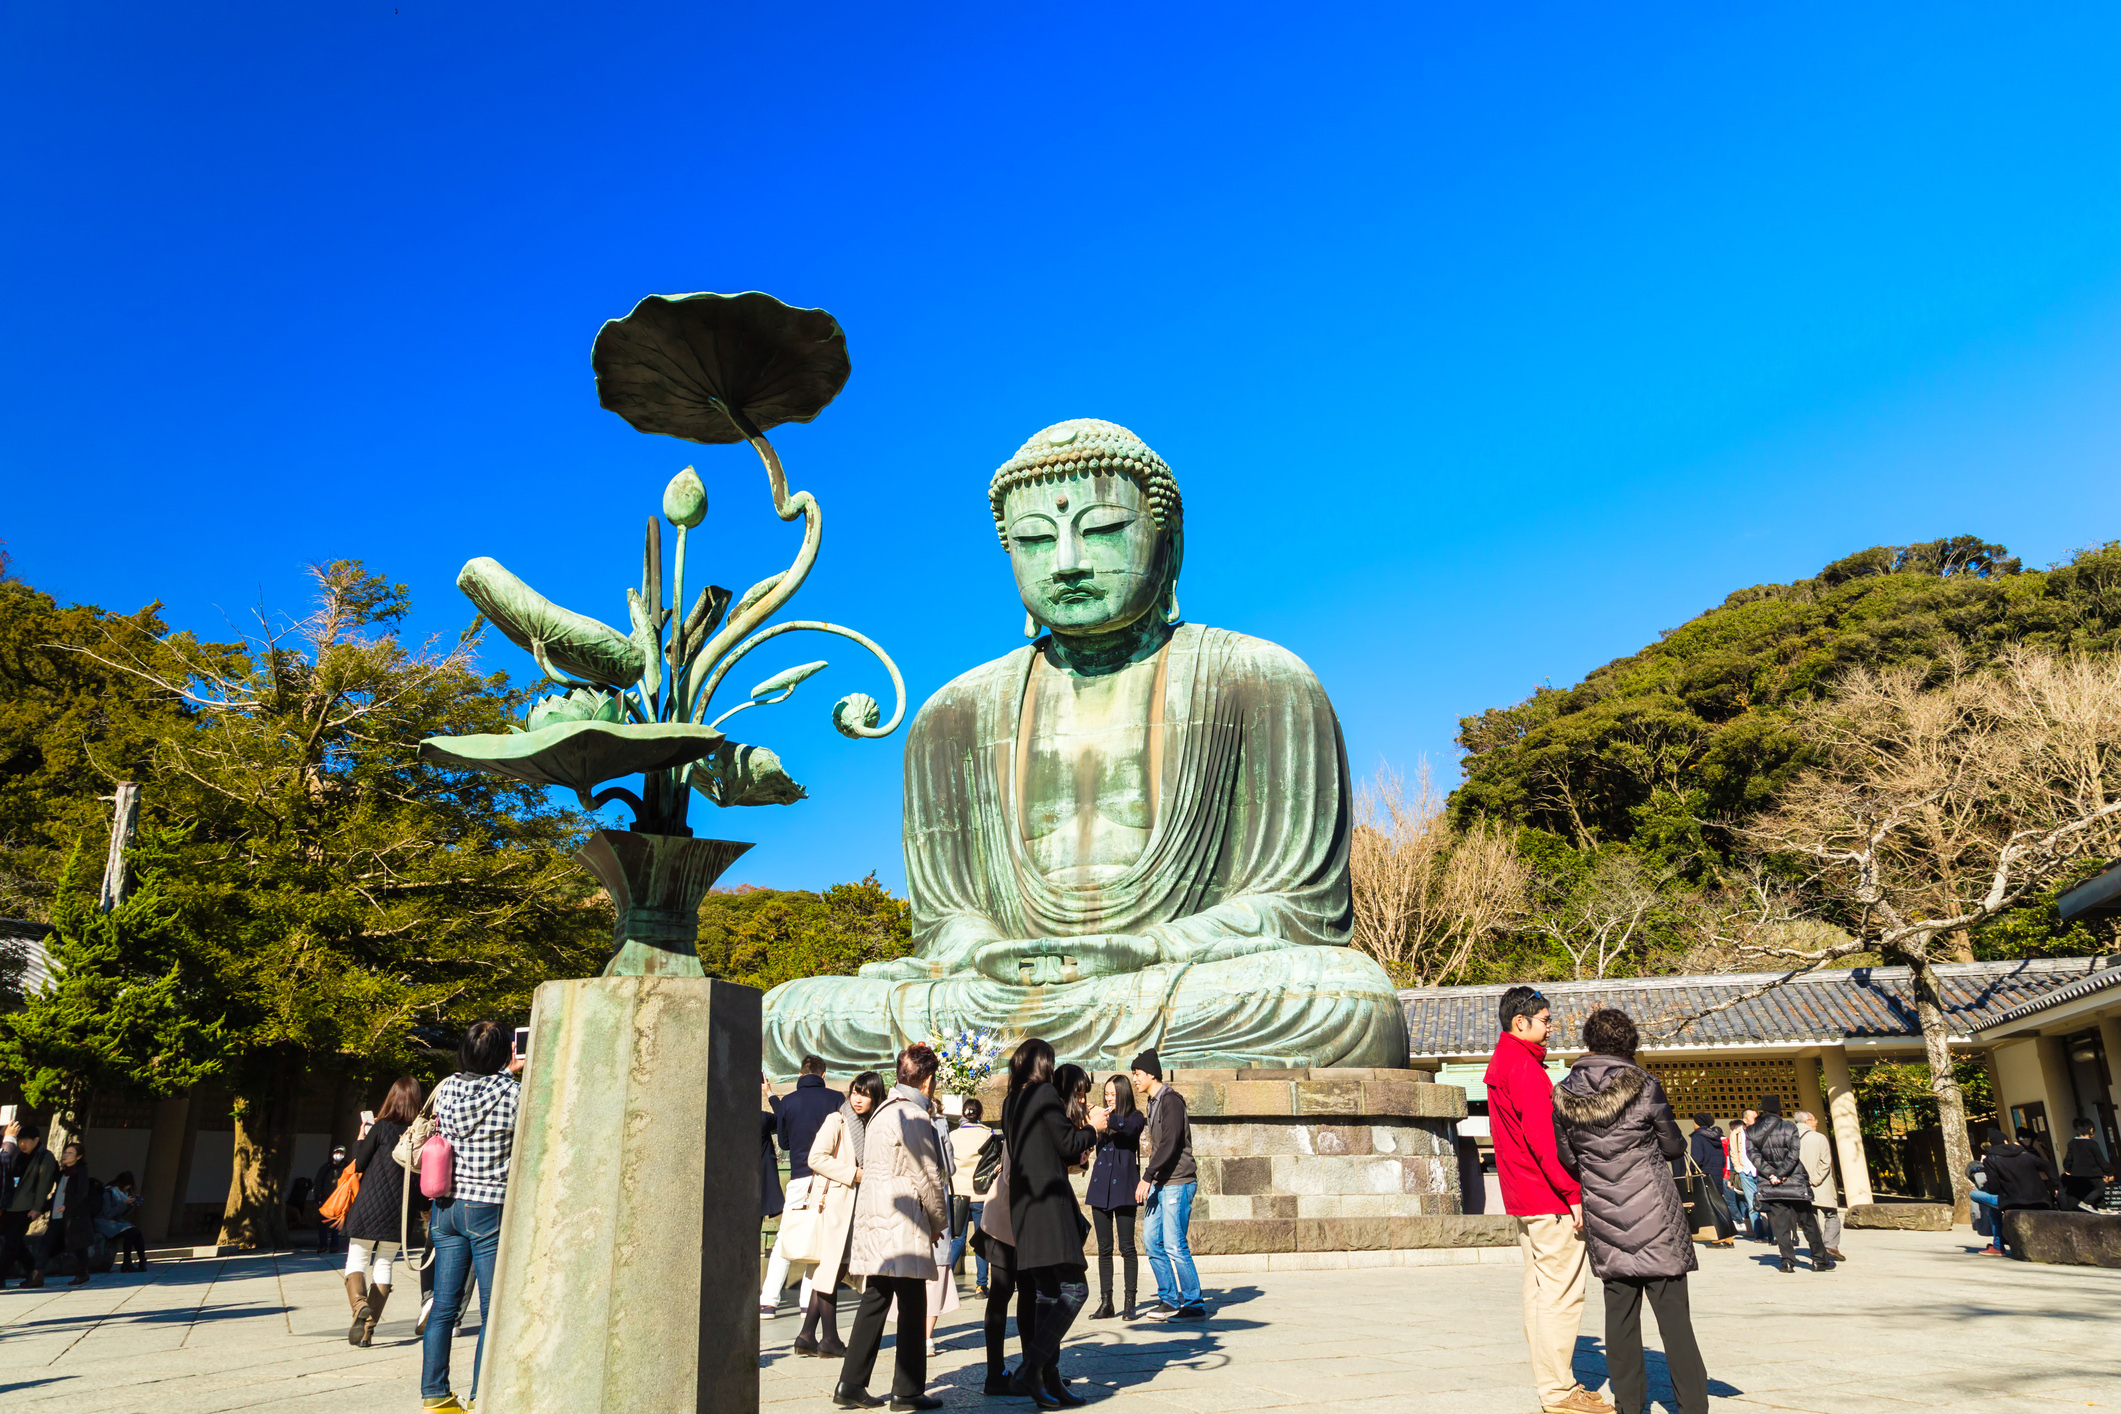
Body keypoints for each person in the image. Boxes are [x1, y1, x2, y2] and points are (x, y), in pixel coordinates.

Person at [1551, 1008, 1707, 1414]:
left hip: (1605, 1218)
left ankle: (1630, 1407)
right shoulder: (1645, 1085)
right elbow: (1673, 1147)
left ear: (1589, 1043)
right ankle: (1692, 1407)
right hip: (1655, 1215)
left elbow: (1568, 1159)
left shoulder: (1564, 1093)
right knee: (1675, 1323)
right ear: (1630, 1044)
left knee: (1619, 1322)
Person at [1483, 986, 1609, 1414]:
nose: (1551, 1027)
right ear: (1521, 1023)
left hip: (1523, 1195)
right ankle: (1559, 1391)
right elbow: (1544, 1139)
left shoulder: (1503, 1061)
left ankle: (1552, 1385)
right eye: (1546, 1020)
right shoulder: (1524, 1067)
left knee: (1539, 1293)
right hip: (1547, 1194)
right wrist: (1572, 1193)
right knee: (1562, 1295)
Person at [834, 1043, 950, 1413]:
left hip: (875, 1219)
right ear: (929, 1080)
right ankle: (908, 1390)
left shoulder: (883, 1112)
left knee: (876, 1299)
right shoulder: (913, 1116)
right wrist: (938, 1223)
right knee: (913, 1304)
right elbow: (928, 1175)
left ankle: (850, 1383)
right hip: (902, 1222)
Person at [420, 1020, 523, 1414]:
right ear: (503, 1054)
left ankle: (435, 1394)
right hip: (489, 1205)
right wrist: (508, 1074)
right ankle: (482, 1394)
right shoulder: (514, 1094)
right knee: (490, 1309)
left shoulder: (445, 1088)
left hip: (445, 1205)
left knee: (444, 1306)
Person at [1002, 1038, 1097, 1410]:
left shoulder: (1012, 1101)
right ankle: (1032, 1368)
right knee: (1075, 1290)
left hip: (1025, 1210)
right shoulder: (1042, 1094)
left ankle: (1048, 1380)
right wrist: (1095, 1128)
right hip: (1048, 1209)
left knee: (1047, 1293)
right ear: (1042, 1064)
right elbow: (1067, 1142)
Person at [798, 1070, 884, 1358]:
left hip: (852, 1209)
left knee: (828, 1270)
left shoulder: (870, 1124)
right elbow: (815, 1158)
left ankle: (807, 1336)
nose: (858, 1099)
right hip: (835, 1206)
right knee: (830, 1270)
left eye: (866, 1094)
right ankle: (830, 1339)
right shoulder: (838, 1119)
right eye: (856, 1092)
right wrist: (853, 1173)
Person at [342, 1076, 423, 1347]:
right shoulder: (421, 1132)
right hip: (399, 1213)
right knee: (385, 1263)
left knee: (357, 1260)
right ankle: (368, 1330)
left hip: (369, 1206)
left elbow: (360, 1163)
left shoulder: (381, 1127)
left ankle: (359, 1306)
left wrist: (360, 1140)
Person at [763, 1055, 844, 1319]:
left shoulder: (789, 1101)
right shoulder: (836, 1099)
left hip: (799, 1177)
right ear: (823, 1075)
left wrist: (773, 1097)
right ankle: (808, 1303)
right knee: (820, 1240)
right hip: (829, 1178)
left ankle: (768, 1300)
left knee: (786, 1237)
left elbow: (784, 1143)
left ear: (800, 1075)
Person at [1131, 1048, 1203, 1322]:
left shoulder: (1171, 1101)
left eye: (1137, 1074)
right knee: (1151, 1240)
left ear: (1151, 1074)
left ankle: (1194, 1303)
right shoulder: (1152, 1102)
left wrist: (1147, 1176)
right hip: (1161, 1183)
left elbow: (1171, 1144)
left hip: (1177, 1182)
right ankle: (1169, 1299)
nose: (1135, 1079)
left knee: (1174, 1243)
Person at [971, 1118, 1038, 1399]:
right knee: (1001, 1295)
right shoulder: (1025, 1119)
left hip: (1022, 1223)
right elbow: (1012, 1174)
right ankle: (996, 1374)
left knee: (1030, 1295)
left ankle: (1032, 1370)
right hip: (1004, 1223)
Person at [1747, 1096, 1831, 1274]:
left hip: (1771, 1184)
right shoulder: (1789, 1126)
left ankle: (1787, 1262)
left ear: (1762, 1110)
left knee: (1780, 1224)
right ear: (1779, 1110)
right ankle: (1819, 1260)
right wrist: (1782, 1173)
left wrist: (1771, 1174)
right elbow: (1794, 1153)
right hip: (1793, 1180)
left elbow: (1753, 1156)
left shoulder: (1752, 1130)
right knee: (1808, 1221)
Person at [1086, 1073, 1146, 1319]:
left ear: (1122, 1094)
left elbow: (1131, 1128)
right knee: (1104, 1248)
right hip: (1100, 1188)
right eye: (1106, 1094)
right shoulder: (1102, 1120)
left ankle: (1130, 1301)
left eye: (1113, 1094)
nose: (1109, 1098)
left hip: (1124, 1188)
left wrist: (1107, 1117)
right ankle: (1106, 1301)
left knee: (1127, 1247)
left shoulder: (1134, 1117)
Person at [31, 1141, 99, 1287]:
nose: (65, 1155)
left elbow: (81, 1193)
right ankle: (37, 1276)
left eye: (70, 1153)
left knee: (78, 1246)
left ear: (79, 1156)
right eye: (65, 1152)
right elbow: (56, 1194)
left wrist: (67, 1206)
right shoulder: (61, 1174)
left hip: (73, 1217)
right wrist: (41, 1209)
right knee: (46, 1243)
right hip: (57, 1216)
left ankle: (82, 1273)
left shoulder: (81, 1172)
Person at [1984, 1125, 2058, 1257]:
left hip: (2013, 1201)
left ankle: (1998, 1244)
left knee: (1982, 1201)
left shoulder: (1991, 1159)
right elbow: (2047, 1165)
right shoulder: (2023, 1153)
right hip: (2040, 1198)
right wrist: (2056, 1186)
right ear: (2006, 1141)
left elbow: (1993, 1188)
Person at [2, 1119, 59, 1286]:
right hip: (9, 1204)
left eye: (26, 1141)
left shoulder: (44, 1156)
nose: (22, 1144)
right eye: (19, 1141)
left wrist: (37, 1208)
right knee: (14, 1241)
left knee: (11, 1243)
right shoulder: (18, 1154)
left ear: (36, 1140)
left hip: (25, 1206)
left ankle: (1, 1277)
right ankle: (34, 1271)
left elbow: (44, 1184)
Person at [947, 1097, 995, 1293]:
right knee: (981, 1240)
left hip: (958, 1194)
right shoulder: (989, 1135)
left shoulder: (952, 1135)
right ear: (981, 1115)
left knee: (957, 1239)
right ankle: (981, 1285)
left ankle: (944, 1280)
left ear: (962, 1115)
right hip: (981, 1195)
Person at [1794, 1111, 1845, 1264]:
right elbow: (1825, 1162)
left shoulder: (1790, 1139)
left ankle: (1818, 1247)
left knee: (1811, 1217)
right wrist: (1814, 1179)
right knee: (1831, 1215)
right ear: (1808, 1121)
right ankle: (1830, 1245)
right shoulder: (1819, 1137)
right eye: (1815, 1119)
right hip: (1820, 1183)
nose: (1816, 1123)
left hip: (1800, 1184)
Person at [1685, 1115, 1734, 1247]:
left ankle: (1717, 1238)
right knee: (1721, 1204)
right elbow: (1723, 1159)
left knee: (1710, 1206)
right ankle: (1728, 1238)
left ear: (1698, 1123)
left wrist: (1690, 1170)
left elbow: (1697, 1158)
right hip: (1717, 1173)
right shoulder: (1716, 1137)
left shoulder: (1698, 1136)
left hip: (1705, 1174)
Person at [96, 1170, 146, 1272]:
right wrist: (123, 1203)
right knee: (130, 1232)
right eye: (127, 1185)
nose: (128, 1188)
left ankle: (142, 1260)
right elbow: (108, 1213)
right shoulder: (108, 1193)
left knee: (136, 1232)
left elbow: (120, 1214)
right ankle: (127, 1262)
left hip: (115, 1221)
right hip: (103, 1222)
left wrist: (131, 1205)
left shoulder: (124, 1194)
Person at [2062, 1118, 2111, 1211]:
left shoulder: (2072, 1143)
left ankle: (2102, 1207)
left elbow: (2068, 1158)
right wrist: (2108, 1172)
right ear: (2091, 1129)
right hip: (2093, 1171)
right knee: (2101, 1188)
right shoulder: (2092, 1143)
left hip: (2077, 1173)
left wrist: (2067, 1169)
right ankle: (2086, 1202)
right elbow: (2100, 1159)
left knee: (2093, 1189)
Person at [1727, 1109, 1760, 1240]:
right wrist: (1738, 1168)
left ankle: (1771, 1232)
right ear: (1745, 1120)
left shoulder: (1761, 1130)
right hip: (1745, 1171)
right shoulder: (1736, 1134)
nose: (1756, 1119)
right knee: (1752, 1203)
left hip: (1760, 1170)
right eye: (1753, 1117)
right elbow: (1733, 1152)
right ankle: (1759, 1234)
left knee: (1766, 1202)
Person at [315, 1143, 351, 1253]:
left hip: (341, 1199)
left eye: (341, 1153)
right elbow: (318, 1182)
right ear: (333, 1154)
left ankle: (334, 1245)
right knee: (323, 1222)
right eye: (337, 1152)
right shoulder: (326, 1167)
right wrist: (317, 1198)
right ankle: (322, 1244)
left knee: (337, 1223)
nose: (338, 1155)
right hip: (326, 1199)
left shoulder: (347, 1167)